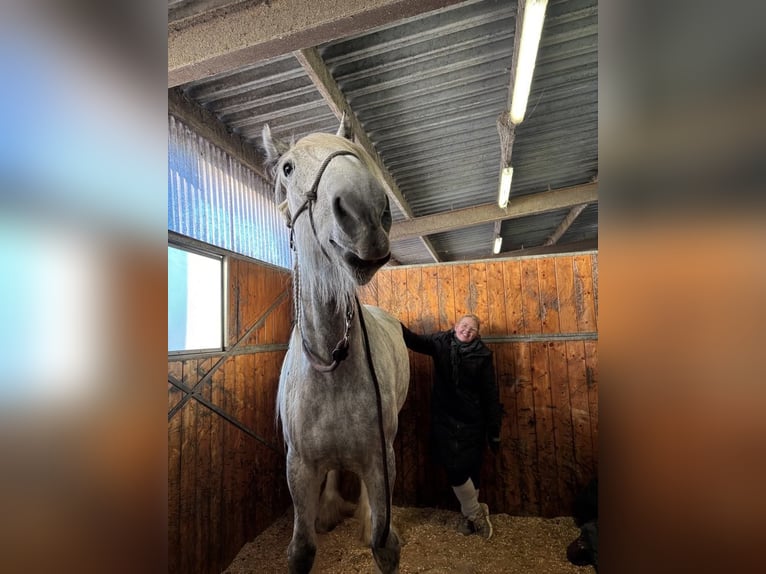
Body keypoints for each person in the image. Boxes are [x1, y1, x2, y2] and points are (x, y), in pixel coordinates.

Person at [401, 314, 502, 539]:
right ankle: (475, 512)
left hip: (472, 419)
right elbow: (413, 340)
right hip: (445, 418)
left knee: (471, 467)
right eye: (464, 326)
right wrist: (390, 322)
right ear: (456, 326)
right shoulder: (441, 343)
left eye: (472, 329)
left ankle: (469, 517)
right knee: (454, 468)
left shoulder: (483, 355)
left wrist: (494, 429)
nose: (467, 330)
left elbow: (489, 392)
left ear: (477, 334)